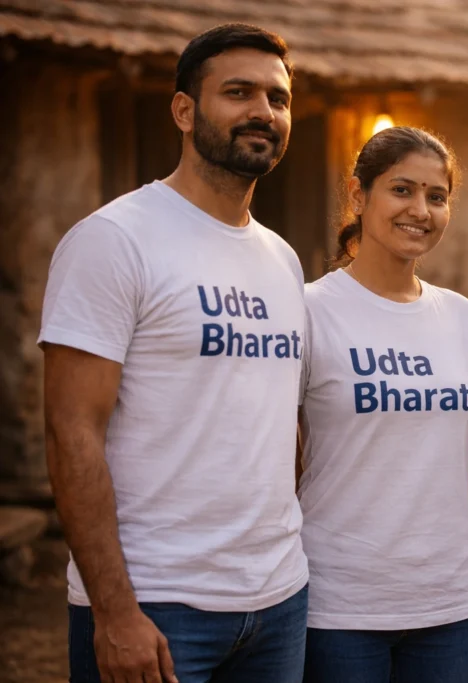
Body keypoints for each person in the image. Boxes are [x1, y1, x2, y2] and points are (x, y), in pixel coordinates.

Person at [39, 23, 309, 683]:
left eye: (277, 97)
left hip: (278, 603)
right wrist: (114, 609)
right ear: (184, 111)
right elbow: (70, 431)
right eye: (238, 92)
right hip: (157, 606)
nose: (262, 112)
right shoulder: (114, 240)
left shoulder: (283, 258)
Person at [298, 126, 468, 683]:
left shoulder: (462, 317)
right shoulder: (311, 309)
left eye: (436, 196)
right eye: (401, 190)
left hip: (448, 601)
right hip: (339, 601)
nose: (420, 210)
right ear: (359, 196)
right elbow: (280, 450)